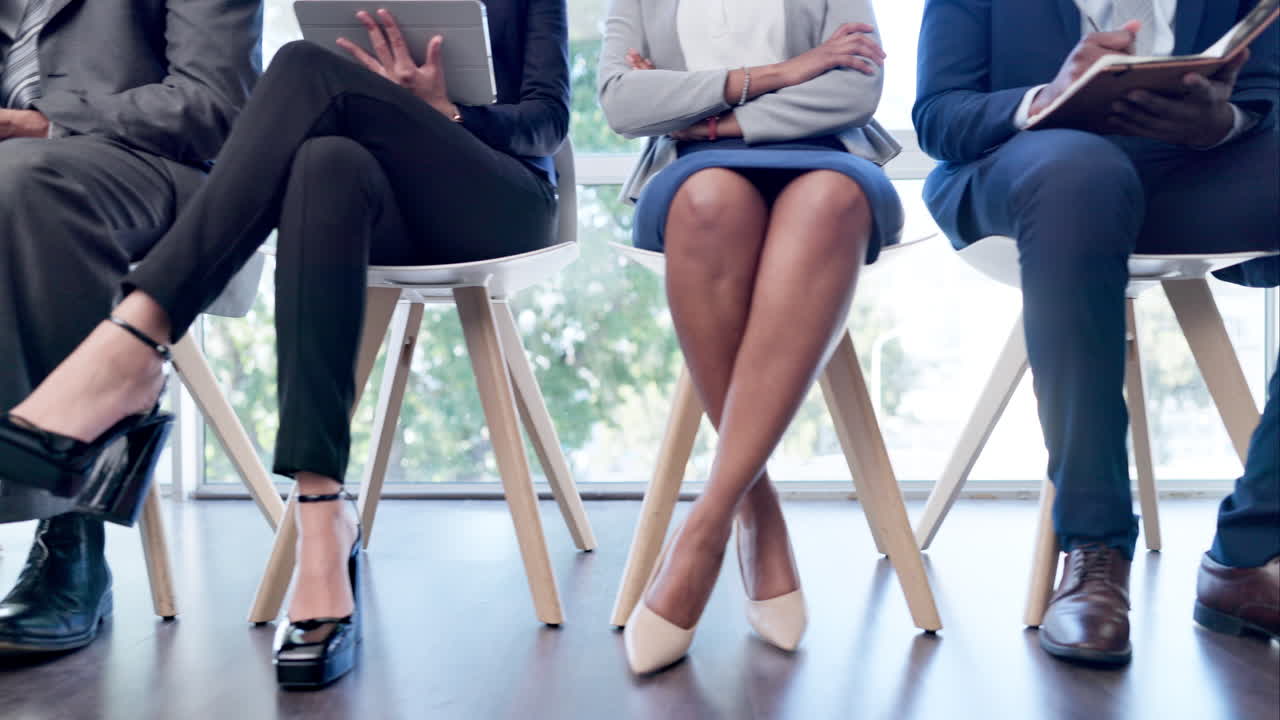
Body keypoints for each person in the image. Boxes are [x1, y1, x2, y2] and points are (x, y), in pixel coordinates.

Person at [0, 0, 570, 689]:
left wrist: (445, 108)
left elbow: (547, 120)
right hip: (382, 188)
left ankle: (137, 334)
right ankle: (323, 514)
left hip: (496, 194)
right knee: (325, 162)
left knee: (302, 68)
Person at [914, 0, 1279, 666]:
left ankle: (1255, 552)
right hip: (1025, 170)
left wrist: (1220, 122)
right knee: (1079, 172)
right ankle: (1094, 552)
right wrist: (1045, 99)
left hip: (1189, 173)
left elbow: (1266, 90)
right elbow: (941, 117)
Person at [599, 0, 903, 674]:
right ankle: (755, 508)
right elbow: (622, 103)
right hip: (693, 167)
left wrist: (714, 116)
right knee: (709, 202)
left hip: (826, 156)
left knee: (829, 202)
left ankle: (704, 528)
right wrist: (787, 71)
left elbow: (856, 85)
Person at [0, 0, 261, 658]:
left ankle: (71, 540)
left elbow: (215, 108)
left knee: (22, 187)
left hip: (148, 170)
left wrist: (47, 125)